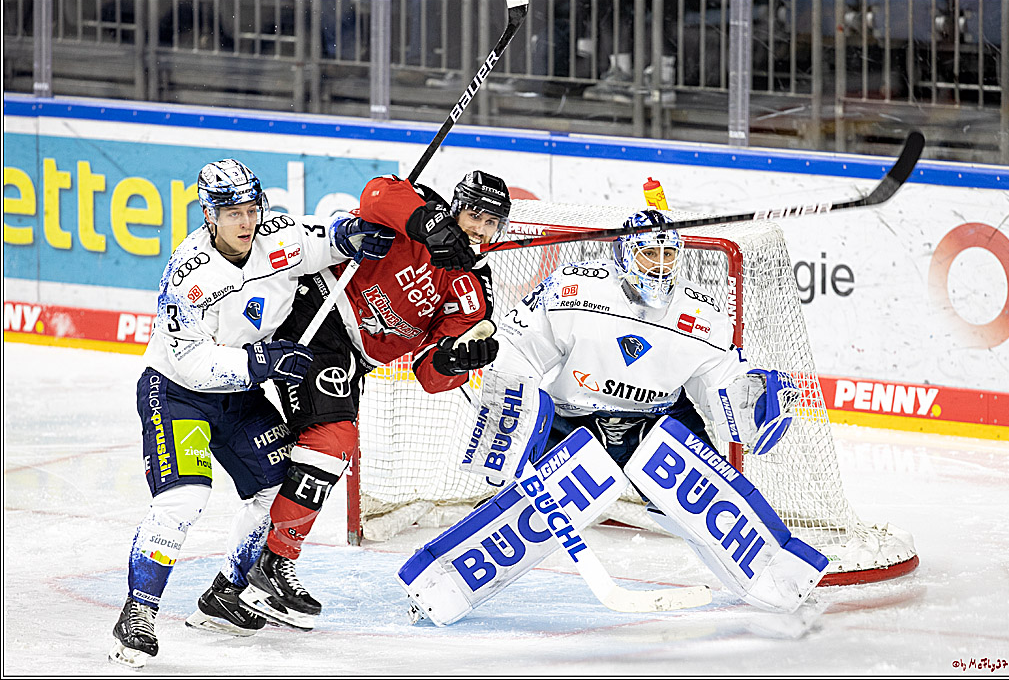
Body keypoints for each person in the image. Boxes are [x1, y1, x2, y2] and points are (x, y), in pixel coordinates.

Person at [397, 210, 820, 625]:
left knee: (708, 501)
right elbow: (518, 347)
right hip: (573, 420)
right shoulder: (575, 288)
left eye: (667, 256)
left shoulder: (703, 313)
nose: (658, 266)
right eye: (647, 255)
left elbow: (721, 384)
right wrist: (512, 410)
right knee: (531, 515)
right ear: (623, 256)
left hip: (657, 421)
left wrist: (753, 402)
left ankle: (778, 576)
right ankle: (442, 582)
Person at [108, 158, 394, 669]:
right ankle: (138, 613)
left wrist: (353, 235)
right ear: (209, 215)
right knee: (185, 498)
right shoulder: (188, 275)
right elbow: (187, 358)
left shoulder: (277, 235)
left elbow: (325, 241)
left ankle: (227, 592)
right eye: (232, 211)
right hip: (178, 394)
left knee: (278, 485)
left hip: (237, 397)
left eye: (251, 207)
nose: (246, 221)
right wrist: (258, 361)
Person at [230, 170, 511, 630]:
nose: (480, 229)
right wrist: (429, 226)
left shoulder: (475, 291)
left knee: (330, 449)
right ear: (456, 206)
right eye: (474, 214)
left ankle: (233, 587)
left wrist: (460, 363)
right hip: (318, 308)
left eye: (492, 222)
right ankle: (271, 566)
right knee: (332, 440)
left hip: (352, 357)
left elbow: (427, 374)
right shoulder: (422, 210)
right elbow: (376, 193)